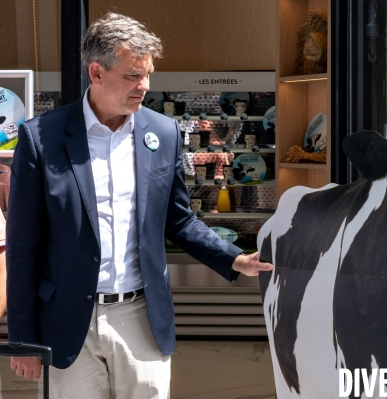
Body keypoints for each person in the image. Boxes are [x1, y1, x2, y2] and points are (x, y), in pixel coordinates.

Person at [6, 12, 272, 398]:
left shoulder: (162, 132)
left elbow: (178, 220)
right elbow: (22, 247)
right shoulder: (41, 138)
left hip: (140, 318)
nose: (144, 86)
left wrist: (235, 258)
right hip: (65, 322)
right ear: (96, 73)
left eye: (147, 74)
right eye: (132, 75)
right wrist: (23, 338)